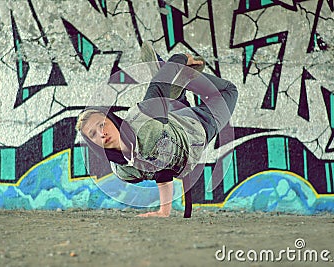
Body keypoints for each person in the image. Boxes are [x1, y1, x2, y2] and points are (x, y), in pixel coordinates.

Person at [76, 43, 238, 217]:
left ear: (112, 120)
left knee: (228, 91)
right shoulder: (121, 170)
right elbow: (159, 171)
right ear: (92, 143)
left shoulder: (145, 118)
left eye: (102, 124)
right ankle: (177, 83)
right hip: (171, 122)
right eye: (93, 134)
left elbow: (163, 172)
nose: (101, 133)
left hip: (195, 127)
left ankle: (180, 77)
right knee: (164, 102)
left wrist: (182, 58)